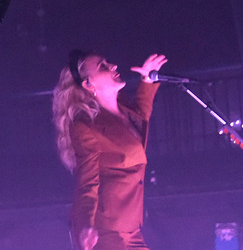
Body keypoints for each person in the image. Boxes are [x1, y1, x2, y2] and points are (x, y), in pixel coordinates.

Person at [52, 51, 168, 250]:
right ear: (88, 84)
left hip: (131, 230)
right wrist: (85, 226)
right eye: (103, 67)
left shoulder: (123, 109)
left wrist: (148, 79)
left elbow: (141, 115)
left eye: (108, 63)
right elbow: (87, 181)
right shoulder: (86, 126)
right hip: (105, 233)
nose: (113, 66)